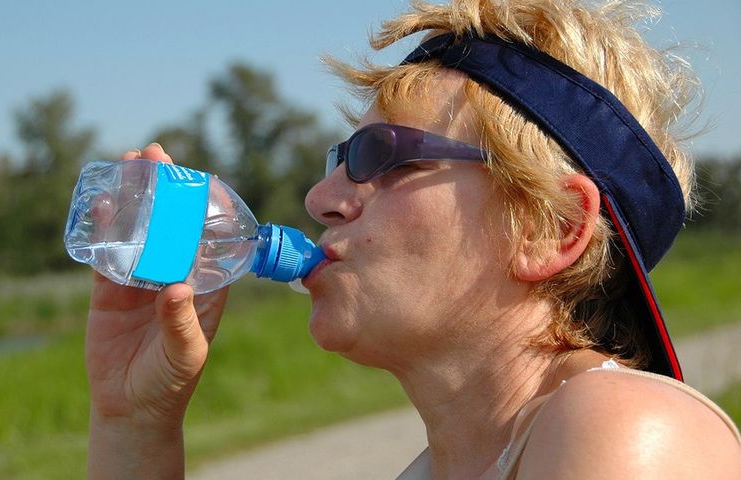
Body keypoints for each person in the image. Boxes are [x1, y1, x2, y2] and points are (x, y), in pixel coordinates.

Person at [84, 0, 741, 478]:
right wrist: (133, 425)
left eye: (381, 156)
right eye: (337, 159)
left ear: (549, 228)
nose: (320, 200)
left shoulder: (623, 436)